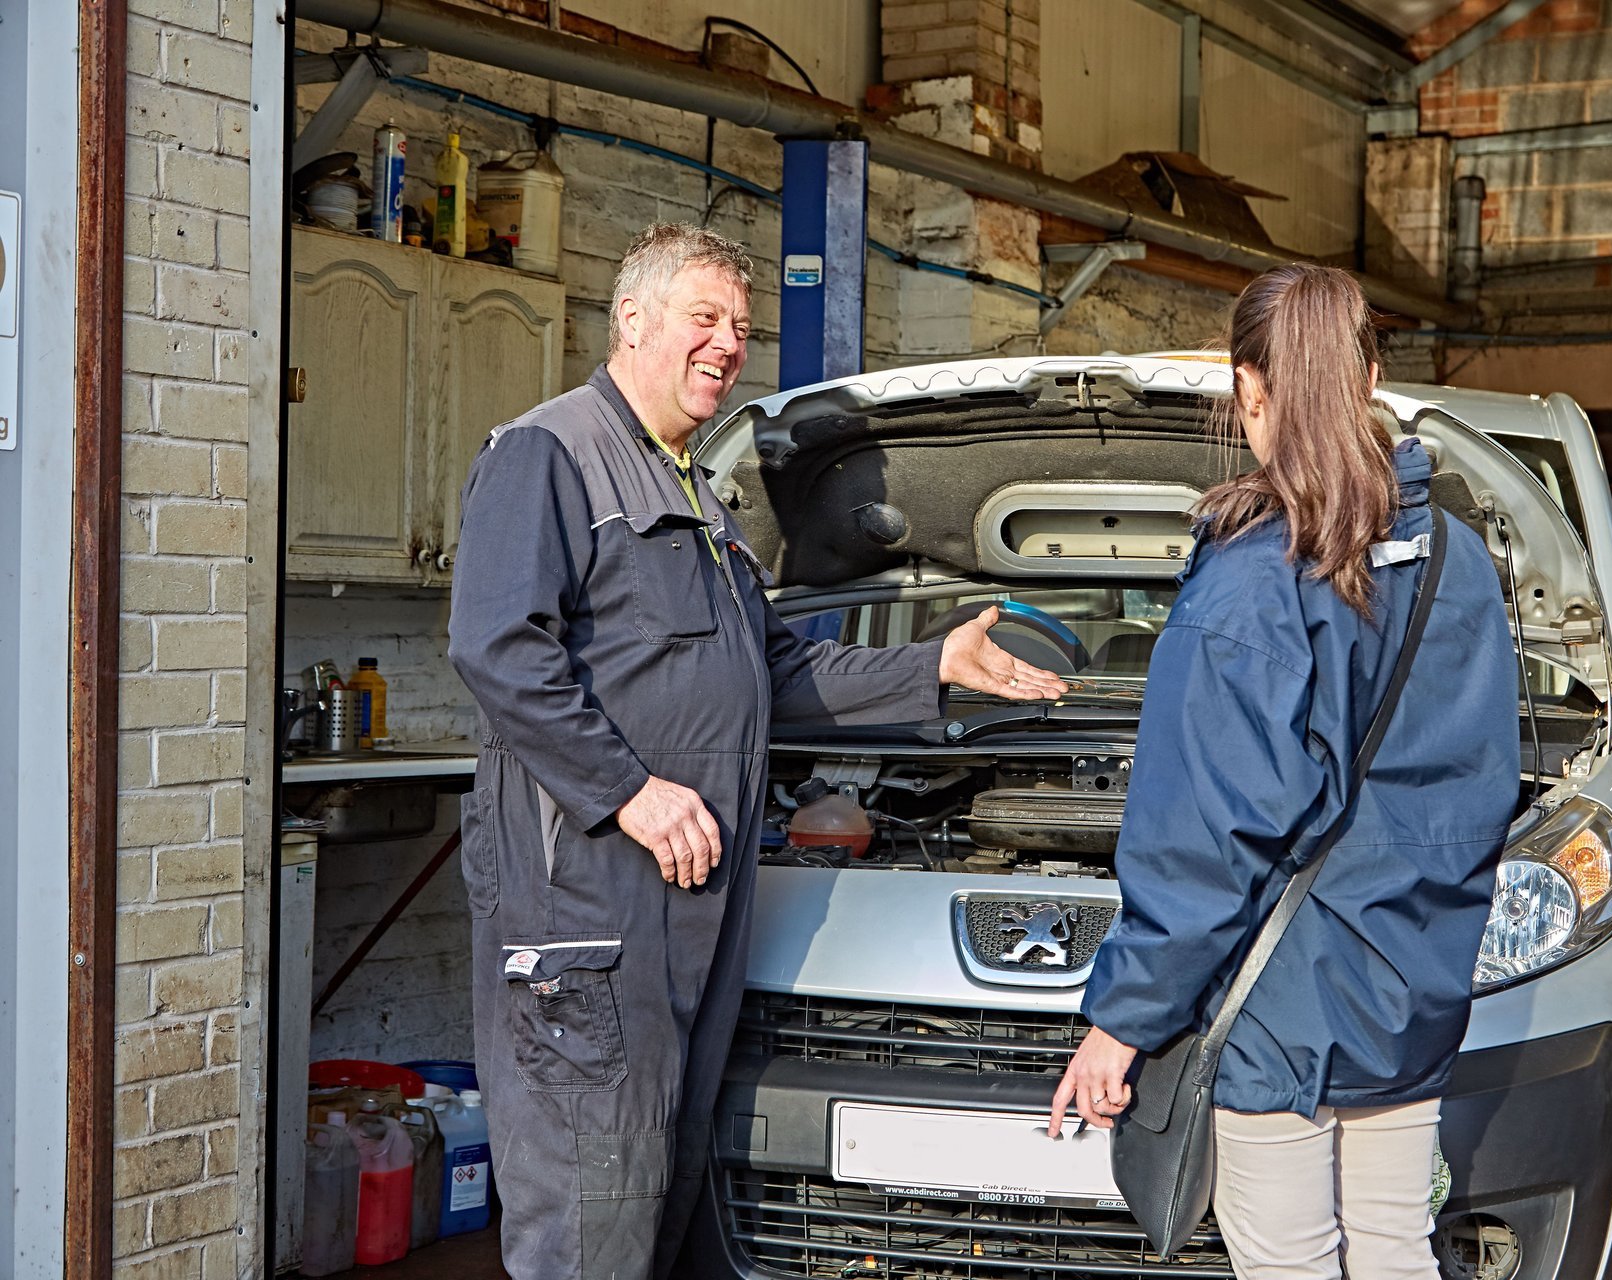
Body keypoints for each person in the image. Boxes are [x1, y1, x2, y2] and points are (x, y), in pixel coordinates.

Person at [448, 222, 1066, 1280]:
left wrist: (935, 665)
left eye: (741, 326)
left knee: (662, 1201)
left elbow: (774, 672)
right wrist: (630, 792)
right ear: (632, 319)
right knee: (592, 1215)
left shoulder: (696, 490)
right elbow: (496, 647)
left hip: (691, 904)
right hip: (588, 908)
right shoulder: (551, 453)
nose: (730, 344)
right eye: (706, 317)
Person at [1047, 264, 1520, 1279]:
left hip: (1277, 1009)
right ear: (1372, 379)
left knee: (1290, 1263)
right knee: (1395, 1253)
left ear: (1248, 390)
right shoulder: (1457, 559)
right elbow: (1481, 791)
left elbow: (1208, 841)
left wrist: (1123, 1021)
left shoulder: (1251, 581)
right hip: (1412, 989)